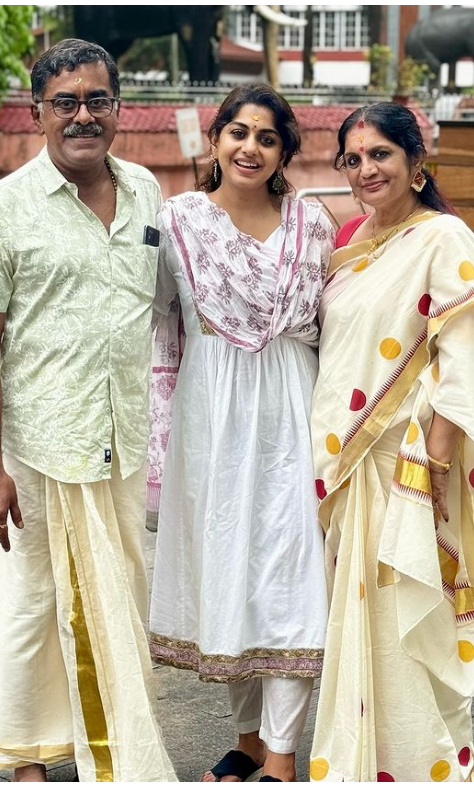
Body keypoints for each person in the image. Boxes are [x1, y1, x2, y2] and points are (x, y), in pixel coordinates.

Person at [0, 39, 176, 783]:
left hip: (120, 439)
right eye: (64, 102)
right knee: (36, 604)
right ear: (36, 113)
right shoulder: (5, 208)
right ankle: (36, 754)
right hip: (38, 444)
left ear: (118, 108)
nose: (82, 116)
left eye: (97, 100)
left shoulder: (145, 193)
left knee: (114, 597)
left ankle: (63, 741)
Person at [144, 83, 334, 783]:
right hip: (210, 416)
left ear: (284, 152)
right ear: (216, 140)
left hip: (292, 407)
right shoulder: (178, 222)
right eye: (239, 132)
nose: (250, 147)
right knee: (231, 570)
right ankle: (248, 739)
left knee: (290, 572)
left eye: (267, 136)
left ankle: (283, 753)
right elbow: (153, 321)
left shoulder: (310, 224)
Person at [307, 102, 474, 782]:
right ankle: (360, 760)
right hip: (344, 467)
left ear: (417, 163)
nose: (365, 168)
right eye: (352, 158)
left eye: (379, 153)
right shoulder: (351, 243)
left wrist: (435, 461)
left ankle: (423, 764)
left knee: (406, 617)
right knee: (358, 624)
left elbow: (461, 358)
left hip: (404, 468)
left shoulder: (443, 238)